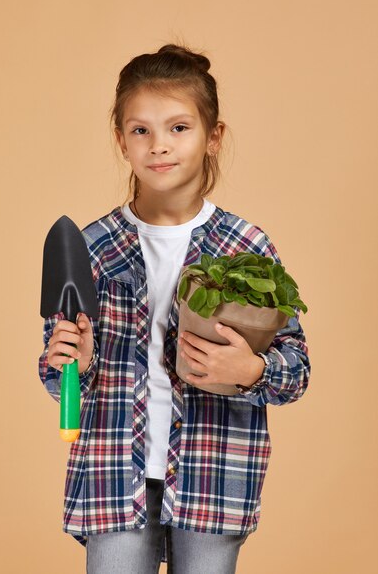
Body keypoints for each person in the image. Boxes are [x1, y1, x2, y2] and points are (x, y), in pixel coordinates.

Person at [39, 43, 311, 574]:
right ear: (121, 140)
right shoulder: (90, 247)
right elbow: (57, 379)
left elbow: (296, 369)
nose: (159, 145)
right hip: (114, 477)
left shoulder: (245, 247)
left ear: (214, 138)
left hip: (215, 475)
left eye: (179, 128)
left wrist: (253, 370)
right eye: (141, 130)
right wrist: (74, 360)